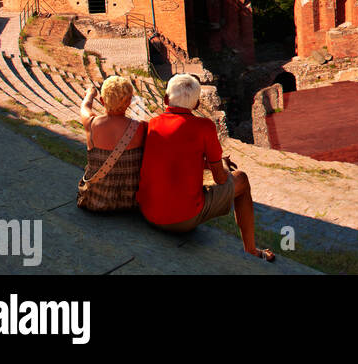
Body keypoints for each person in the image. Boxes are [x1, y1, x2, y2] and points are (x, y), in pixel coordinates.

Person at [137, 73, 274, 261]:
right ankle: (250, 249)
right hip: (182, 220)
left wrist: (206, 164)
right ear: (196, 104)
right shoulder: (204, 126)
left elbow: (175, 157)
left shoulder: (152, 123)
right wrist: (220, 166)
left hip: (149, 213)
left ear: (166, 99)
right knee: (241, 179)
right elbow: (220, 179)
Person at [78, 76, 147, 211]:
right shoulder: (140, 128)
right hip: (130, 202)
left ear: (102, 100)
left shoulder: (92, 124)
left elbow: (84, 107)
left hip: (95, 201)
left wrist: (90, 94)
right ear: (128, 102)